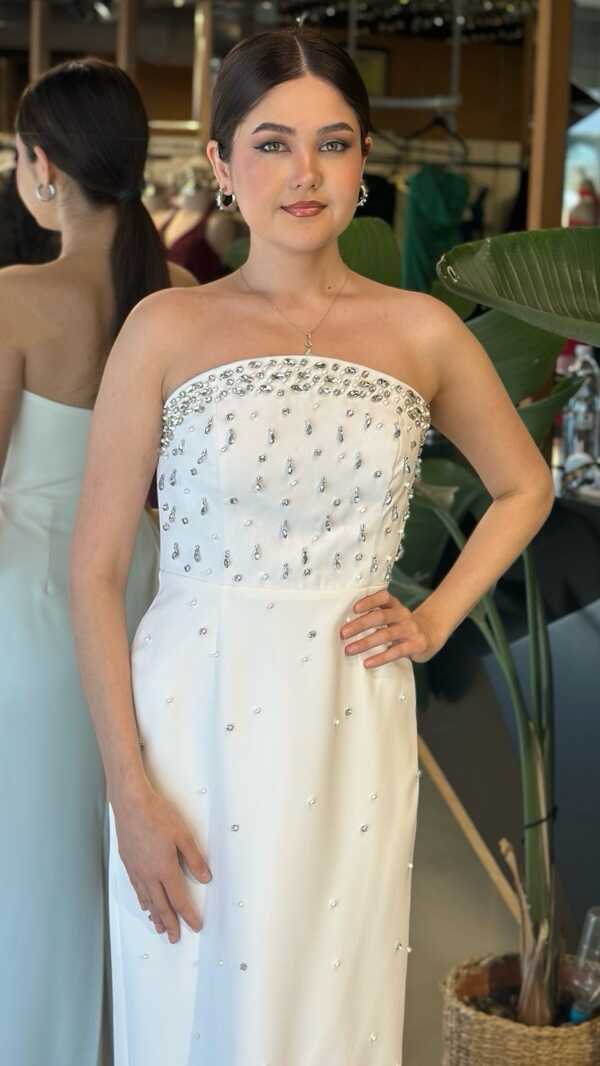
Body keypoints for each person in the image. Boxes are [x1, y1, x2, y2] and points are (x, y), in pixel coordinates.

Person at [70, 28, 554, 1066]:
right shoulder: (163, 326)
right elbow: (97, 569)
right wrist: (127, 789)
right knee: (191, 1000)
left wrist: (435, 618)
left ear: (364, 160)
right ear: (221, 163)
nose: (304, 173)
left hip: (349, 711)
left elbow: (526, 485)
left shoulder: (422, 331)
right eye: (272, 143)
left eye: (332, 143)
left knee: (329, 1004)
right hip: (189, 718)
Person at [0, 57, 196, 1066]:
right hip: (146, 595)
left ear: (42, 165)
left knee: (32, 864)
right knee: (113, 850)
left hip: (29, 606)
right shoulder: (187, 296)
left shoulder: (16, 297)